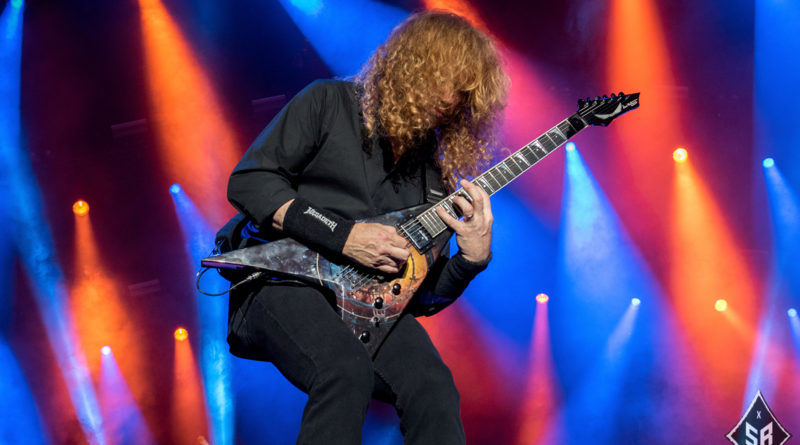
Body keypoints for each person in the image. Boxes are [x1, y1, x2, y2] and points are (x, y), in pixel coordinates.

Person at [217, 10, 508, 444]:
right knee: (344, 368)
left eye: (462, 91)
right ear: (412, 63)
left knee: (433, 386)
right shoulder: (328, 103)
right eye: (444, 78)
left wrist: (471, 260)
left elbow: (419, 297)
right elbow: (250, 181)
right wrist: (344, 236)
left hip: (364, 303)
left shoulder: (435, 182)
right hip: (281, 281)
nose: (449, 99)